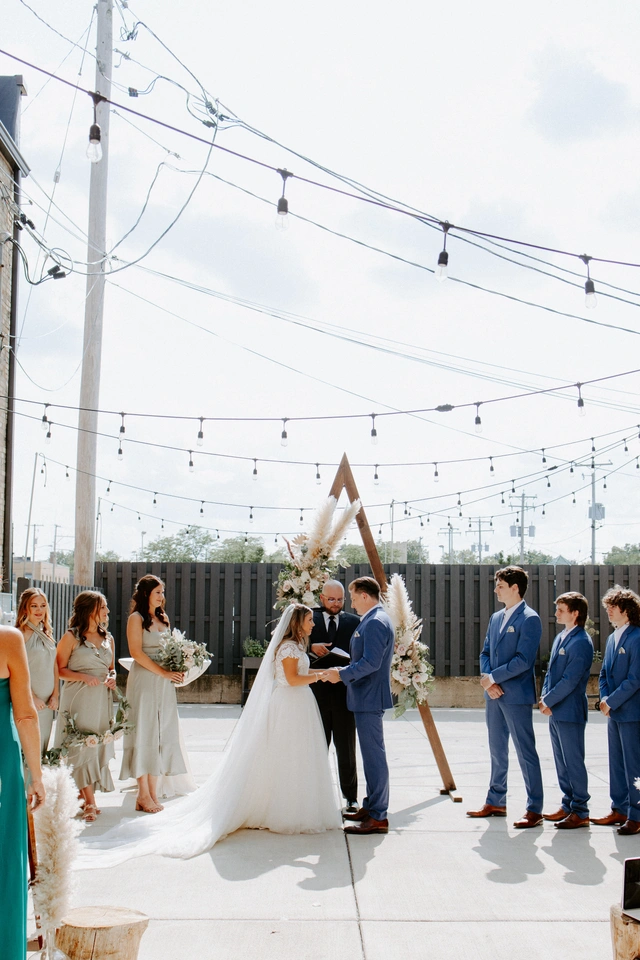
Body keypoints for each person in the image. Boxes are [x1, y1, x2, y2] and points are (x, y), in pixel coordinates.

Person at [77, 603, 340, 865]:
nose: (313, 624)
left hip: (298, 704)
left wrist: (323, 673)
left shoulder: (296, 646)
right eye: (309, 621)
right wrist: (322, 676)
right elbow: (293, 679)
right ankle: (284, 810)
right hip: (290, 705)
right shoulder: (289, 647)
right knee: (288, 755)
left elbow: (298, 675)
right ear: (297, 623)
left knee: (296, 757)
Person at [467, 565, 544, 828]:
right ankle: (496, 801)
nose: (495, 589)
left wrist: (493, 678)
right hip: (494, 694)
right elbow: (485, 652)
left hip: (516, 695)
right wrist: (488, 681)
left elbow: (524, 660)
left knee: (525, 751)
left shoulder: (530, 618)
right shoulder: (496, 617)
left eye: (500, 585)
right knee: (497, 750)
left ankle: (535, 808)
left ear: (515, 588)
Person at [326, 576, 395, 836]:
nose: (352, 604)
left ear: (365, 596)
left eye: (353, 598)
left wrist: (341, 674)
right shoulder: (373, 619)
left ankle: (379, 816)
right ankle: (371, 806)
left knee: (374, 756)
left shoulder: (376, 622)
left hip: (368, 697)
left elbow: (371, 663)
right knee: (371, 755)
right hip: (365, 696)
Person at [120, 575, 188, 813]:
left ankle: (152, 793)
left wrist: (177, 668)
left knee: (160, 733)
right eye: (158, 592)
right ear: (146, 594)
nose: (162, 596)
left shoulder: (164, 618)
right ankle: (142, 794)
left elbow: (171, 650)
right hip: (145, 680)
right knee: (144, 732)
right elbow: (136, 653)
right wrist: (162, 672)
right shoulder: (135, 618)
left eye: (163, 592)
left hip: (164, 683)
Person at [0, 625, 46, 960]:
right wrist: (37, 777)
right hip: (2, 765)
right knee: (5, 866)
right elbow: (26, 714)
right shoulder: (8, 639)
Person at [53, 591, 116, 822]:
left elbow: (111, 667)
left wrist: (113, 677)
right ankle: (90, 802)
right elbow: (59, 670)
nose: (107, 612)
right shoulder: (71, 637)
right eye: (103, 608)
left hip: (101, 700)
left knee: (94, 746)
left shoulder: (108, 637)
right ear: (89, 610)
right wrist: (82, 676)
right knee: (79, 747)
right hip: (77, 698)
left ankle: (83, 798)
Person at [539, 592, 593, 829]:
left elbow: (571, 680)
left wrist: (548, 700)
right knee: (561, 761)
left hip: (569, 710)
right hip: (556, 709)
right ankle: (568, 803)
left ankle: (581, 810)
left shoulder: (581, 641)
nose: (556, 613)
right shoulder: (562, 636)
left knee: (573, 761)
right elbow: (552, 673)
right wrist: (545, 697)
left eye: (561, 610)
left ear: (575, 613)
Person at [591, 586, 640, 835]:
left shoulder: (638, 637)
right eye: (607, 606)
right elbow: (604, 673)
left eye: (613, 605)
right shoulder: (612, 638)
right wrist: (604, 699)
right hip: (614, 712)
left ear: (627, 609)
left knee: (634, 765)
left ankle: (637, 814)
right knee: (616, 763)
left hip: (632, 712)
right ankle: (619, 808)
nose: (608, 610)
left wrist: (611, 701)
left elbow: (635, 678)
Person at [308, 579, 360, 812]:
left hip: (344, 695)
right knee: (315, 747)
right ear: (321, 598)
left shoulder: (354, 621)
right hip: (314, 694)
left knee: (346, 748)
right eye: (331, 599)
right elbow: (289, 643)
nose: (336, 604)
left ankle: (351, 798)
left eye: (340, 600)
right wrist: (311, 646)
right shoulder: (309, 618)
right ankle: (314, 797)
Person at [16, 587, 58, 759]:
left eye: (42, 605)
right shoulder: (20, 634)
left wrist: (56, 694)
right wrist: (31, 697)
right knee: (27, 750)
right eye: (34, 606)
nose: (39, 610)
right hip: (29, 701)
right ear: (26, 608)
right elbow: (17, 670)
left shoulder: (47, 633)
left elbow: (54, 665)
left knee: (41, 750)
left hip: (48, 703)